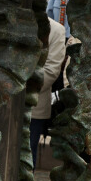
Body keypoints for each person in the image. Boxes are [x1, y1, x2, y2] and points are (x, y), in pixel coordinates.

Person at [30, 18, 65, 169]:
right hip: (1, 105)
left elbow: (51, 71)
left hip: (33, 108)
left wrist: (15, 87)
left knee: (25, 162)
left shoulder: (56, 29)